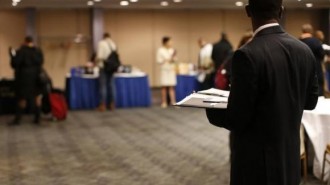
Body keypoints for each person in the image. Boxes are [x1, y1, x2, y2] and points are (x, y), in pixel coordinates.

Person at [205, 0, 319, 184]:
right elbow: (310, 102)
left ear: (248, 11)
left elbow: (237, 118)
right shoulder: (304, 50)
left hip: (256, 163)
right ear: (281, 12)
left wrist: (210, 108)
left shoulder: (246, 54)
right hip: (290, 157)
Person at [10, 36, 44, 125]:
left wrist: (12, 55)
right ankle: (37, 118)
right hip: (36, 77)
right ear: (32, 41)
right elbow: (41, 62)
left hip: (24, 78)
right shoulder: (38, 50)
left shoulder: (21, 51)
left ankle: (17, 120)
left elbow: (14, 64)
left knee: (22, 98)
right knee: (37, 97)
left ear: (25, 41)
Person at [300, 24, 325, 96]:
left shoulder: (297, 41)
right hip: (315, 67)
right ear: (311, 31)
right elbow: (322, 55)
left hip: (302, 68)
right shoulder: (315, 41)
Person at [96, 33, 117, 111]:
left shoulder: (101, 43)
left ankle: (102, 105)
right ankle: (112, 104)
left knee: (103, 86)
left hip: (104, 67)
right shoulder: (113, 44)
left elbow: (100, 56)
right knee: (111, 85)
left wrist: (95, 61)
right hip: (112, 68)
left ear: (103, 37)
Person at [157, 36, 177, 108]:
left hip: (171, 70)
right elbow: (158, 61)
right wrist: (166, 60)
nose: (171, 43)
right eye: (170, 41)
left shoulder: (172, 50)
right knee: (164, 87)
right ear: (165, 42)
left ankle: (173, 102)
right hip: (164, 70)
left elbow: (175, 60)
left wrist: (173, 59)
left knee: (172, 87)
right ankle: (164, 102)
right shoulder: (160, 50)